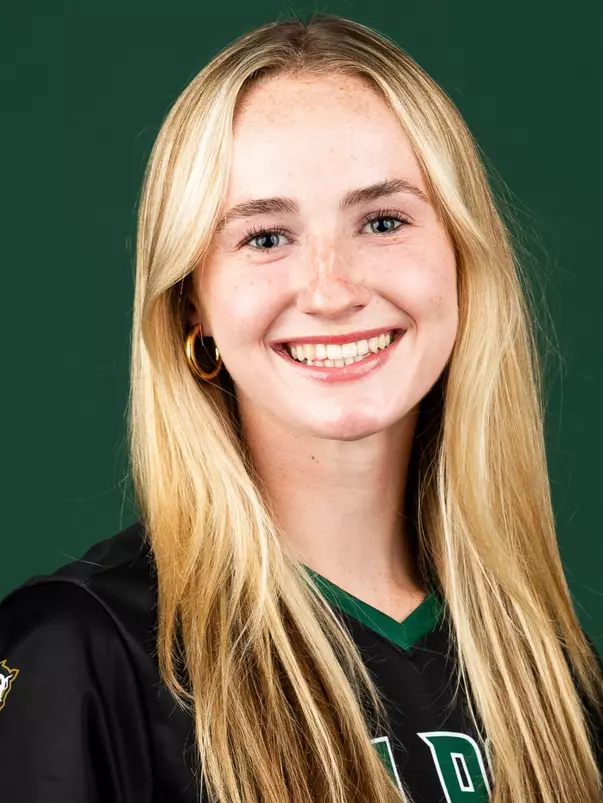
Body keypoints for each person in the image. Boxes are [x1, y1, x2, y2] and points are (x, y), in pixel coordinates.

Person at [0, 12, 601, 803]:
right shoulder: (75, 649)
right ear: (193, 306)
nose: (331, 289)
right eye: (263, 237)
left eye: (382, 221)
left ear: (461, 259)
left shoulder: (547, 672)